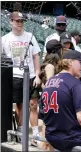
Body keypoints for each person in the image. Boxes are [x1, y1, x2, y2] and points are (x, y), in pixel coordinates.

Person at [41, 50, 81, 151]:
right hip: (72, 138)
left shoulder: (49, 82)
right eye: (80, 62)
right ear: (70, 62)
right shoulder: (75, 83)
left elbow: (44, 114)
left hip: (52, 138)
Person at [1, 11, 41, 146]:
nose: (20, 23)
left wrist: (37, 74)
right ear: (11, 21)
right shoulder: (5, 39)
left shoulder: (30, 36)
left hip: (30, 75)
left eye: (22, 21)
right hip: (15, 76)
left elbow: (36, 56)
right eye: (17, 21)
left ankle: (35, 135)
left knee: (33, 104)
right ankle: (20, 131)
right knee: (19, 105)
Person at [38, 39, 63, 151]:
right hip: (50, 101)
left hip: (47, 100)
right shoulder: (50, 67)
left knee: (47, 127)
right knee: (47, 130)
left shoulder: (47, 64)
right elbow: (49, 85)